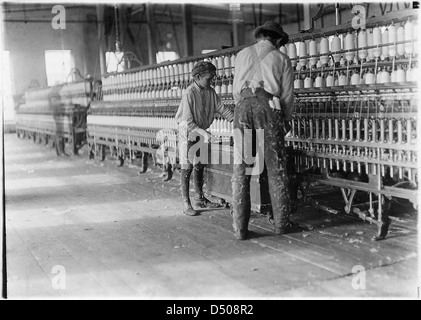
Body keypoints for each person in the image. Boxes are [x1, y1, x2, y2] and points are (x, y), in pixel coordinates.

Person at [231, 21, 296, 240]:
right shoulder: (282, 58)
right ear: (278, 40)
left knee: (242, 169)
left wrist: (245, 107)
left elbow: (235, 92)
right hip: (268, 109)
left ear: (261, 37)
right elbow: (287, 96)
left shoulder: (241, 55)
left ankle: (240, 229)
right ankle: (281, 225)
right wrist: (285, 120)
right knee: (276, 168)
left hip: (242, 108)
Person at [175, 61, 234, 216]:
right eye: (209, 78)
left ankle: (200, 198)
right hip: (186, 131)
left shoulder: (210, 91)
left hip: (200, 130)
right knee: (187, 166)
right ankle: (186, 203)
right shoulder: (189, 93)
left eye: (213, 78)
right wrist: (203, 133)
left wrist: (235, 121)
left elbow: (222, 108)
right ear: (198, 77)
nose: (211, 81)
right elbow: (187, 121)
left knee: (200, 163)